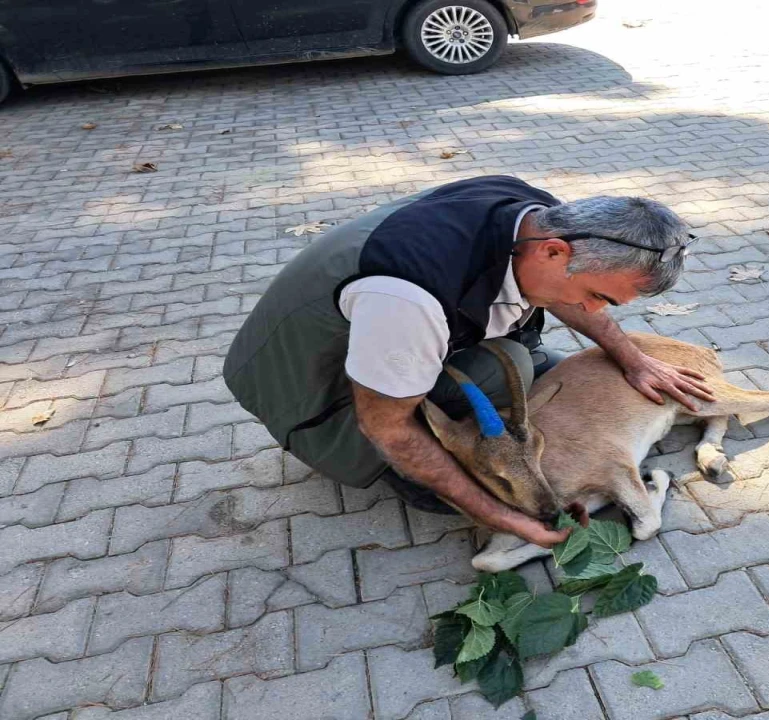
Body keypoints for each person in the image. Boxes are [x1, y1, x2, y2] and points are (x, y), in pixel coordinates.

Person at [223, 175, 714, 549]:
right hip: (311, 396)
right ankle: (376, 465)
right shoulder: (410, 298)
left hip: (393, 334)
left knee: (551, 379)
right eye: (596, 296)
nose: (593, 311)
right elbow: (386, 427)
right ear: (554, 250)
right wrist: (499, 516)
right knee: (508, 373)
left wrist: (631, 360)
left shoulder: (535, 217)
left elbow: (564, 291)